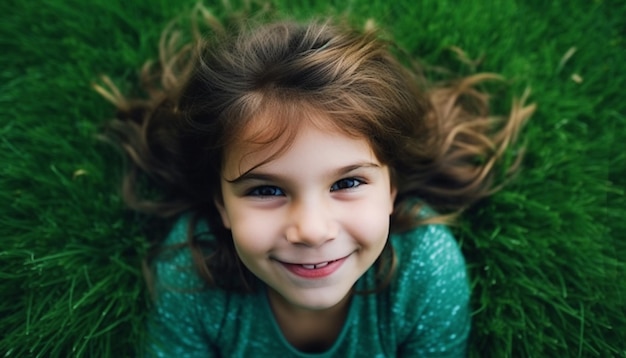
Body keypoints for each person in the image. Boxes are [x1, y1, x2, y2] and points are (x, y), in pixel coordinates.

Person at [96, 7, 534, 357]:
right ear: (222, 204)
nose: (312, 229)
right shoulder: (192, 268)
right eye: (266, 190)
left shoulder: (426, 267)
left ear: (391, 188)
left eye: (347, 184)